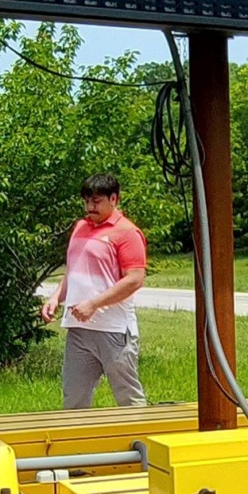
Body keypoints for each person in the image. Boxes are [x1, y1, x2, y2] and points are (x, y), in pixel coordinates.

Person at [42, 174, 148, 410]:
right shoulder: (80, 227)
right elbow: (74, 270)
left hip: (114, 330)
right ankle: (77, 436)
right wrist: (56, 297)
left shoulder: (127, 232)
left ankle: (141, 433)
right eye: (86, 201)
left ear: (114, 199)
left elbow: (135, 279)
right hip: (79, 330)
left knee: (128, 398)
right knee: (74, 398)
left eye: (96, 201)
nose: (90, 207)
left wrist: (93, 304)